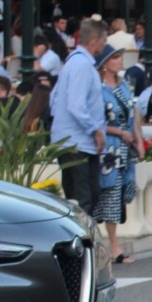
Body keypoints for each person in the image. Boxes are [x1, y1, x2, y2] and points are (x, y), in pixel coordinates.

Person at [49, 17, 108, 215]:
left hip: (72, 141)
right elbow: (76, 105)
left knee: (84, 196)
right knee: (84, 199)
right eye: (103, 40)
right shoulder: (81, 65)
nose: (104, 45)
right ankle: (83, 243)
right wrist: (95, 130)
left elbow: (54, 99)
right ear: (94, 41)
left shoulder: (72, 63)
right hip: (77, 143)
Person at [95, 47, 142, 265]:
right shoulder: (98, 89)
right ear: (104, 64)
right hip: (108, 147)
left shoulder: (124, 86)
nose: (119, 61)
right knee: (108, 193)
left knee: (119, 193)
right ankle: (111, 245)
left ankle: (112, 245)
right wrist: (119, 132)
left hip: (124, 147)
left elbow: (134, 115)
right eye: (115, 58)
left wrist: (138, 140)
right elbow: (95, 120)